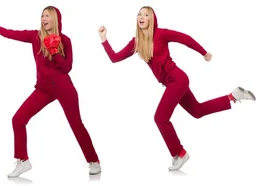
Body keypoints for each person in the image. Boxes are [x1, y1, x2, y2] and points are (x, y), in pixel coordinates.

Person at [98, 6, 256, 171]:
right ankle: (232, 96)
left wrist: (204, 52)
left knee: (160, 118)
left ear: (152, 19)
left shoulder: (161, 33)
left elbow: (184, 38)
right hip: (172, 82)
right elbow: (115, 58)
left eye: (146, 14)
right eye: (139, 14)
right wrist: (104, 39)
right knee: (197, 111)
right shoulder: (137, 42)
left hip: (177, 79)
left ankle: (179, 153)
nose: (141, 17)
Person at [0, 6, 102, 177]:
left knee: (76, 124)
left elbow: (67, 68)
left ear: (55, 19)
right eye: (42, 16)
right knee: (18, 119)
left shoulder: (65, 40)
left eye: (47, 16)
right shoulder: (34, 36)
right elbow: (9, 33)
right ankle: (23, 161)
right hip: (44, 88)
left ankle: (94, 161)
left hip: (63, 86)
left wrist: (55, 52)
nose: (44, 19)